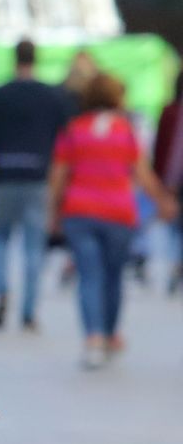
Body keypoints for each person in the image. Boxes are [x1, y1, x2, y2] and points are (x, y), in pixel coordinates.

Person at [47, 72, 180, 368]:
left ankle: (93, 338)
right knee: (113, 276)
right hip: (119, 214)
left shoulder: (73, 130)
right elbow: (142, 173)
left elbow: (58, 176)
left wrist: (52, 212)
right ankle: (108, 334)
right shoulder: (126, 130)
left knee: (89, 275)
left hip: (79, 212)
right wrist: (162, 199)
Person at [0, 38, 75, 330]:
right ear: (35, 58)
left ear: (14, 58)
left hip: (5, 175)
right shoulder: (51, 97)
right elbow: (66, 138)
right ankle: (29, 310)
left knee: (0, 239)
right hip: (38, 178)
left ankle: (2, 290)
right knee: (33, 246)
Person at [153, 72, 183, 293]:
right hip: (173, 178)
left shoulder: (169, 112)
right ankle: (176, 264)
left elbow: (162, 148)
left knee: (175, 226)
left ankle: (176, 263)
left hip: (171, 177)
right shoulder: (171, 112)